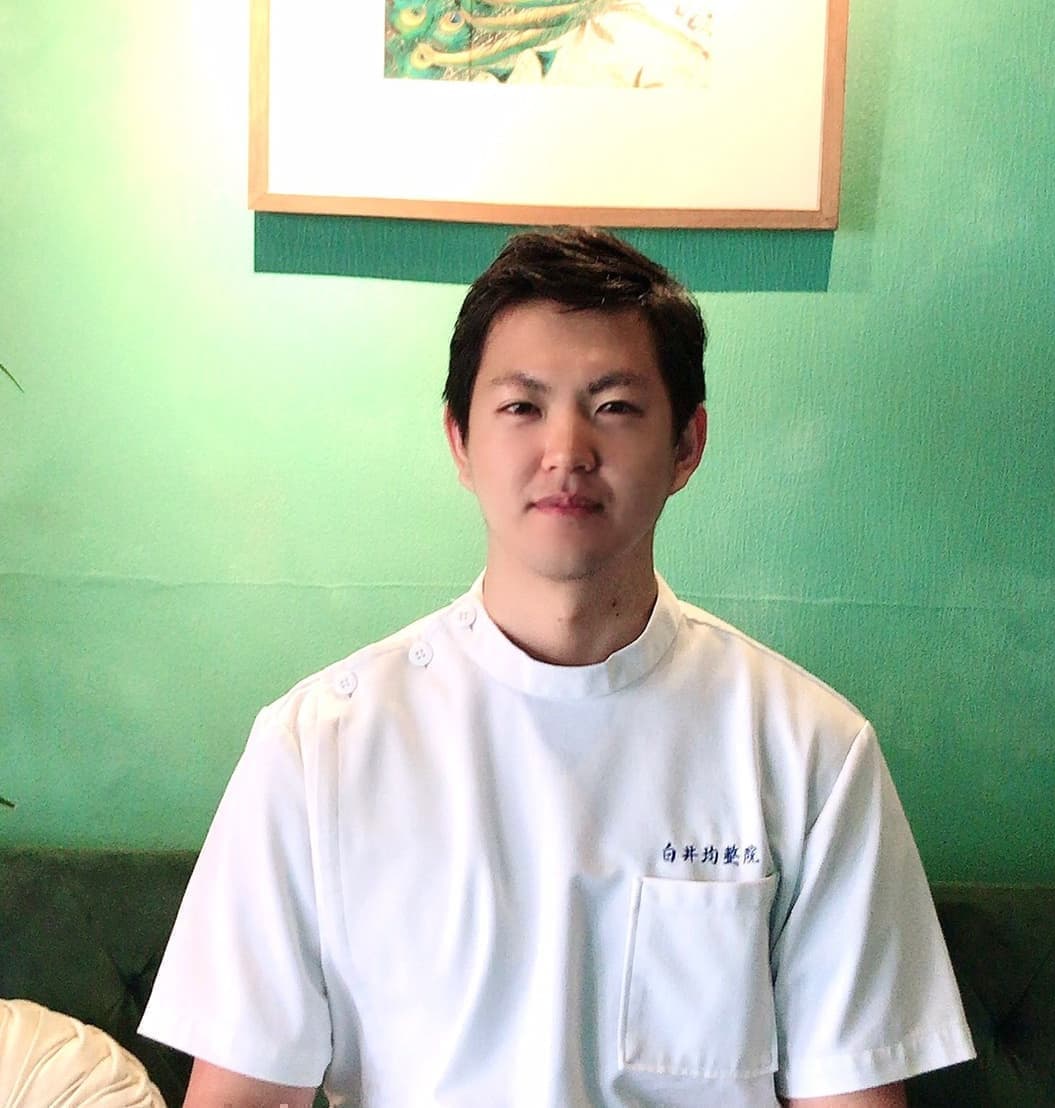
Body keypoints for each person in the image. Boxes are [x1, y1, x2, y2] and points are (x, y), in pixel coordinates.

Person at [139, 228, 975, 1107]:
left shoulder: (811, 751)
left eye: (614, 406)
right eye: (521, 407)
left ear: (687, 445)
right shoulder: (318, 747)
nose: (567, 450)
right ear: (460, 440)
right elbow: (239, 1096)